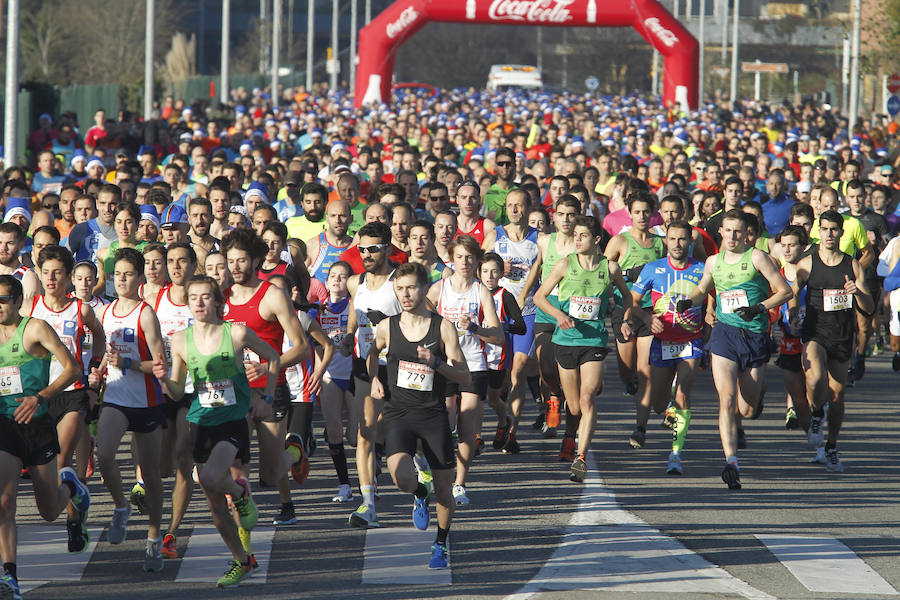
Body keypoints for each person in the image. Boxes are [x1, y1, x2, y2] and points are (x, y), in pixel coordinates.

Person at [153, 276, 278, 588]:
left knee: (209, 477)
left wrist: (269, 399)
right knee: (215, 507)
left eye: (205, 297)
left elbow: (273, 357)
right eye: (193, 297)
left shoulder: (235, 332)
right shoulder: (180, 340)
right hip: (201, 420)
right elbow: (178, 389)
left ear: (218, 303)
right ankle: (242, 560)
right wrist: (162, 379)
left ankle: (240, 493)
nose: (198, 303)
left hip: (233, 419)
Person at [676, 210, 792, 489]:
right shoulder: (713, 261)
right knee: (726, 400)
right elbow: (703, 288)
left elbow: (784, 291)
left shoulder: (757, 258)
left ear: (746, 234)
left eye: (738, 231)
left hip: (754, 336)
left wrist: (758, 308)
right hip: (724, 335)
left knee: (748, 408)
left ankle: (755, 398)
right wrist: (689, 302)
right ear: (721, 232)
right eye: (728, 231)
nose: (732, 236)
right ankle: (731, 462)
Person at [368, 262, 471, 569]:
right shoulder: (387, 325)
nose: (406, 294)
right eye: (400, 289)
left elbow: (464, 375)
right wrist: (374, 378)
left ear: (425, 288)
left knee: (444, 489)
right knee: (400, 476)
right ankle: (417, 490)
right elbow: (373, 353)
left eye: (411, 287)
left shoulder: (443, 327)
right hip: (399, 411)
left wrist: (436, 362)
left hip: (433, 414)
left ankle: (440, 544)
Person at [0, 274, 90, 599]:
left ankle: (70, 488)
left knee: (49, 511)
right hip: (5, 427)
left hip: (38, 426)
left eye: (3, 299)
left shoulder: (35, 328)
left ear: (17, 300)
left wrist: (41, 397)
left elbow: (73, 369)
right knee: (5, 502)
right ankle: (10, 575)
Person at [221, 228, 310, 525]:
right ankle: (243, 541)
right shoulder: (218, 296)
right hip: (233, 393)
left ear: (257, 260)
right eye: (230, 260)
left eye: (242, 260)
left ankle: (294, 453)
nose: (235, 266)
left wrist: (268, 367)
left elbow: (301, 348)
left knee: (271, 473)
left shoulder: (272, 295)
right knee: (236, 466)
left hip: (270, 390)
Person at [534, 216, 632, 482]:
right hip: (566, 342)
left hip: (594, 341)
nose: (576, 239)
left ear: (596, 239)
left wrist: (624, 319)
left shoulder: (610, 268)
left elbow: (626, 296)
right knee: (575, 407)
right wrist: (558, 316)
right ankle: (563, 411)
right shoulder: (565, 264)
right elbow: (539, 297)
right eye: (575, 235)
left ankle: (580, 457)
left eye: (583, 235)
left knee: (588, 398)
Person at [89, 248, 168, 570]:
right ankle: (121, 506)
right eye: (117, 274)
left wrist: (131, 363)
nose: (121, 280)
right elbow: (108, 352)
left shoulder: (146, 314)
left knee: (151, 476)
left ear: (139, 277)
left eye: (127, 274)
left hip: (147, 400)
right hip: (116, 397)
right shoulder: (107, 312)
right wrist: (99, 369)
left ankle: (153, 539)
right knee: (104, 454)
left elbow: (160, 364)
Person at [27, 245, 105, 552]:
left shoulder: (80, 309)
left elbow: (99, 335)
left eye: (57, 273)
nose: (50, 278)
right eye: (45, 273)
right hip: (42, 395)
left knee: (62, 461)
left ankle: (73, 524)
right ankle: (75, 508)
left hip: (73, 394)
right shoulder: (32, 308)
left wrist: (94, 367)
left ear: (69, 277)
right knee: (54, 470)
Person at [790, 210, 873, 472]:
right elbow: (793, 292)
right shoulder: (808, 263)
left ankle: (832, 445)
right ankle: (816, 414)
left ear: (840, 232)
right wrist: (793, 312)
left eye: (834, 229)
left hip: (842, 335)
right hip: (815, 332)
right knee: (814, 379)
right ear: (818, 231)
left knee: (837, 396)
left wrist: (857, 292)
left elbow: (869, 307)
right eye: (824, 229)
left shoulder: (852, 265)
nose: (829, 234)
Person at [426, 236, 503, 505]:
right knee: (445, 424)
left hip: (473, 363)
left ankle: (460, 483)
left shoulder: (481, 291)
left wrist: (475, 329)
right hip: (446, 363)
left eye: (470, 257)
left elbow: (498, 335)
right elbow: (418, 317)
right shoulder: (440, 288)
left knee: (467, 424)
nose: (465, 262)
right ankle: (442, 478)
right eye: (459, 257)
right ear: (452, 258)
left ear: (477, 260)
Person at [629, 220, 706, 475]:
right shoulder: (653, 269)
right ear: (666, 241)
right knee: (660, 404)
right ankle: (667, 408)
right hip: (662, 343)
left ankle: (675, 454)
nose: (677, 244)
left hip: (690, 341)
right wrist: (646, 319)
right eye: (672, 239)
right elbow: (633, 302)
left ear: (690, 241)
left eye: (682, 239)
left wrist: (711, 317)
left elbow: (714, 294)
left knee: (683, 392)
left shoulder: (703, 269)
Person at [345, 222, 402, 528]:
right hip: (367, 365)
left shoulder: (399, 282)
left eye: (373, 249)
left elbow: (428, 316)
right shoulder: (356, 283)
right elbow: (356, 315)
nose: (366, 254)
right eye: (362, 249)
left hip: (400, 367)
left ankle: (418, 459)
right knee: (364, 434)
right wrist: (348, 334)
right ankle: (368, 505)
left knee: (398, 432)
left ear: (387, 249)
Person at [603, 191, 666, 448]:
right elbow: (603, 274)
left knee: (646, 371)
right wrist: (629, 273)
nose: (642, 216)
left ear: (652, 214)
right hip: (624, 310)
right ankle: (630, 382)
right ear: (629, 213)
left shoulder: (661, 243)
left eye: (646, 211)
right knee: (627, 370)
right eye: (637, 211)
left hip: (651, 311)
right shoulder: (619, 241)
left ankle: (640, 427)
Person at [481, 189, 542, 438]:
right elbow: (478, 268)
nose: (514, 210)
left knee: (518, 369)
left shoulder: (539, 239)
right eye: (510, 205)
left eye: (519, 205)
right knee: (501, 375)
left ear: (528, 208)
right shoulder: (494, 236)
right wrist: (496, 267)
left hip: (527, 312)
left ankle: (512, 433)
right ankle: (502, 417)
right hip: (497, 313)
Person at [533, 197, 579, 459]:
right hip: (547, 309)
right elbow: (536, 268)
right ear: (553, 215)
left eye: (570, 214)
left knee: (574, 383)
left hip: (573, 312)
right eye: (560, 213)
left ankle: (569, 440)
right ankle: (552, 395)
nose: (565, 219)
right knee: (546, 365)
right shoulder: (544, 241)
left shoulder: (583, 243)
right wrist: (524, 294)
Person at [478, 253, 526, 451]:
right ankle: (476, 436)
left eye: (494, 272)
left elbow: (521, 327)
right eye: (485, 272)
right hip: (474, 352)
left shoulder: (505, 296)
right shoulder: (474, 292)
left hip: (496, 355)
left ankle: (503, 422)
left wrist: (501, 327)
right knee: (474, 397)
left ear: (501, 275)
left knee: (492, 399)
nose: (489, 276)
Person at [317, 261, 355, 502]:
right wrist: (320, 372)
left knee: (356, 435)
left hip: (353, 374)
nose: (337, 280)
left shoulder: (354, 306)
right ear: (327, 280)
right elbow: (314, 343)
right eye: (333, 275)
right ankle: (344, 484)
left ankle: (370, 475)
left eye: (343, 276)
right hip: (330, 375)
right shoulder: (319, 309)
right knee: (334, 431)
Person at [306, 199, 352, 284]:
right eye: (333, 216)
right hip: (321, 296)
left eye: (342, 216)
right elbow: (301, 276)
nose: (338, 220)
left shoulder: (355, 246)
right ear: (327, 218)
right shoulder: (313, 244)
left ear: (351, 219)